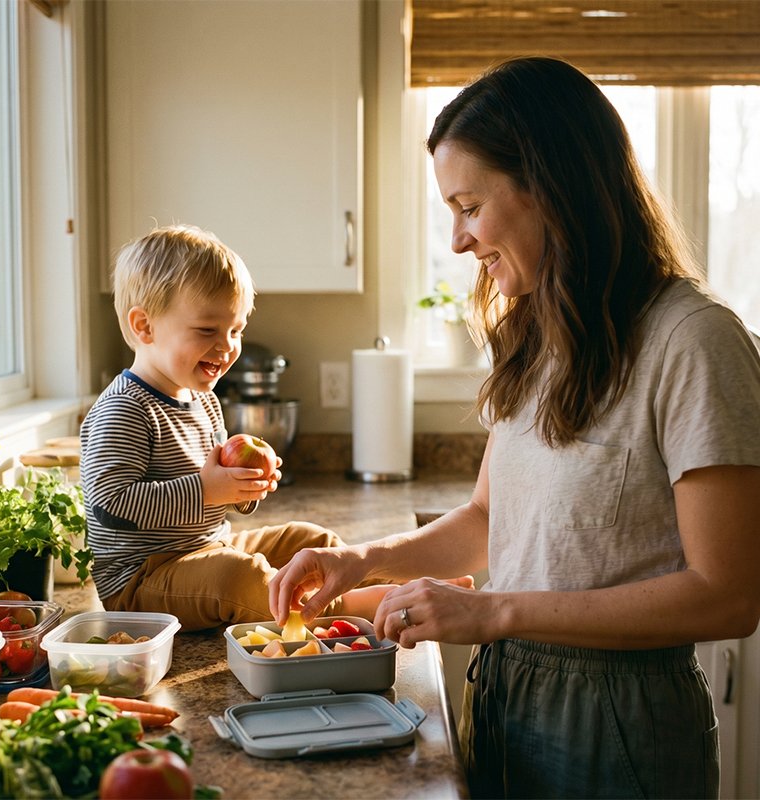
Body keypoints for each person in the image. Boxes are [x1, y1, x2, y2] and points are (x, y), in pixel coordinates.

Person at [269, 57, 760, 799]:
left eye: (468, 206)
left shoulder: (693, 341)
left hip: (621, 722)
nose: (460, 241)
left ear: (550, 186)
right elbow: (488, 519)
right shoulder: (537, 337)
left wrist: (493, 610)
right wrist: (359, 560)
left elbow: (729, 595)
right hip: (508, 696)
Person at [81, 224, 388, 631]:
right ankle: (358, 607)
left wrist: (244, 489)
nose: (227, 346)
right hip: (141, 580)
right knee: (241, 577)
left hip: (206, 547)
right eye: (208, 330)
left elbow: (218, 498)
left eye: (236, 330)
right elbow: (112, 500)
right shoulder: (124, 408)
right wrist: (207, 489)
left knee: (312, 541)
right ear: (145, 327)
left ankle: (394, 587)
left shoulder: (204, 400)